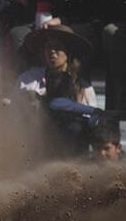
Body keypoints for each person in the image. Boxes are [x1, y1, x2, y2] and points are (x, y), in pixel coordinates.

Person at [17, 25, 100, 157]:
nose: (52, 52)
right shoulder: (28, 80)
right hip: (37, 141)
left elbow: (91, 118)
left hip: (70, 145)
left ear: (68, 52)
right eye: (48, 47)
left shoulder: (82, 86)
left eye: (58, 47)